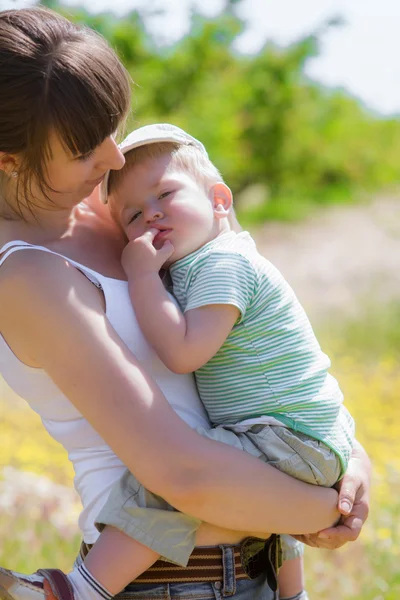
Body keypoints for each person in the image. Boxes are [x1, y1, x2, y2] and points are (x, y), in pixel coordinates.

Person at [0, 7, 371, 600]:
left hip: (260, 566)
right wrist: (328, 508)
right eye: (83, 150)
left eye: (111, 129)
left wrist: (344, 456)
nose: (115, 160)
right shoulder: (30, 276)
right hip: (174, 583)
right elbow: (179, 473)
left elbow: (260, 331)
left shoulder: (114, 212)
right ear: (8, 160)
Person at [46, 123, 355, 600]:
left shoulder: (220, 263)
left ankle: (82, 591)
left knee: (168, 484)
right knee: (242, 486)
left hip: (289, 434)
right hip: (300, 435)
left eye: (165, 194)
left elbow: (183, 352)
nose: (151, 215)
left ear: (219, 200)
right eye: (132, 215)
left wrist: (142, 274)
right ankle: (292, 594)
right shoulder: (205, 262)